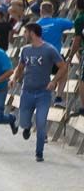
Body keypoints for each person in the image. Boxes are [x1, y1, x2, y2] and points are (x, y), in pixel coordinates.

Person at [12, 22, 68, 162]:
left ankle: (39, 153)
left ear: (31, 33)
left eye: (25, 32)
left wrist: (54, 81)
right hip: (27, 92)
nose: (24, 35)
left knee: (41, 122)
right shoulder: (25, 50)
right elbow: (20, 68)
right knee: (24, 122)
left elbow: (63, 67)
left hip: (43, 93)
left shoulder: (49, 49)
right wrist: (14, 78)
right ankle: (27, 126)